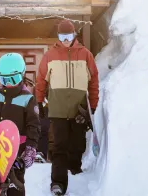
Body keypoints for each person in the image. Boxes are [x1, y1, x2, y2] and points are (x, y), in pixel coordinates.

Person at [35, 19, 99, 196]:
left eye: (68, 36)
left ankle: (76, 174)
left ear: (74, 35)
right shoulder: (50, 55)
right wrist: (39, 101)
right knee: (60, 147)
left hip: (79, 109)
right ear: (58, 36)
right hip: (58, 109)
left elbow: (93, 81)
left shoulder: (85, 54)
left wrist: (92, 105)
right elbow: (41, 80)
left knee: (77, 145)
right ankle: (58, 183)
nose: (65, 39)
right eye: (62, 36)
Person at [0, 53, 41, 196]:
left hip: (18, 150)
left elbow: (33, 125)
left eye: (13, 78)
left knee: (15, 183)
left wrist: (30, 148)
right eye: (3, 79)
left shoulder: (27, 99)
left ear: (22, 75)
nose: (9, 83)